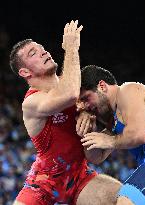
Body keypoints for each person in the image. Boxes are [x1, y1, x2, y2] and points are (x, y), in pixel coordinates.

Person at [9, 21, 121, 205]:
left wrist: (88, 115)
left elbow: (95, 157)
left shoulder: (79, 90)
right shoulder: (31, 102)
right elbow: (68, 94)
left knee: (124, 198)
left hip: (79, 177)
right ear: (25, 72)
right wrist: (71, 47)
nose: (43, 52)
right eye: (33, 53)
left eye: (42, 48)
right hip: (43, 184)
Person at [79, 64, 145, 205]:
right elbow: (95, 157)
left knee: (127, 200)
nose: (85, 106)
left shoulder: (128, 90)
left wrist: (111, 140)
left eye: (86, 98)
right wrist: (87, 130)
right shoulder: (113, 120)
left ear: (102, 86)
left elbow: (141, 134)